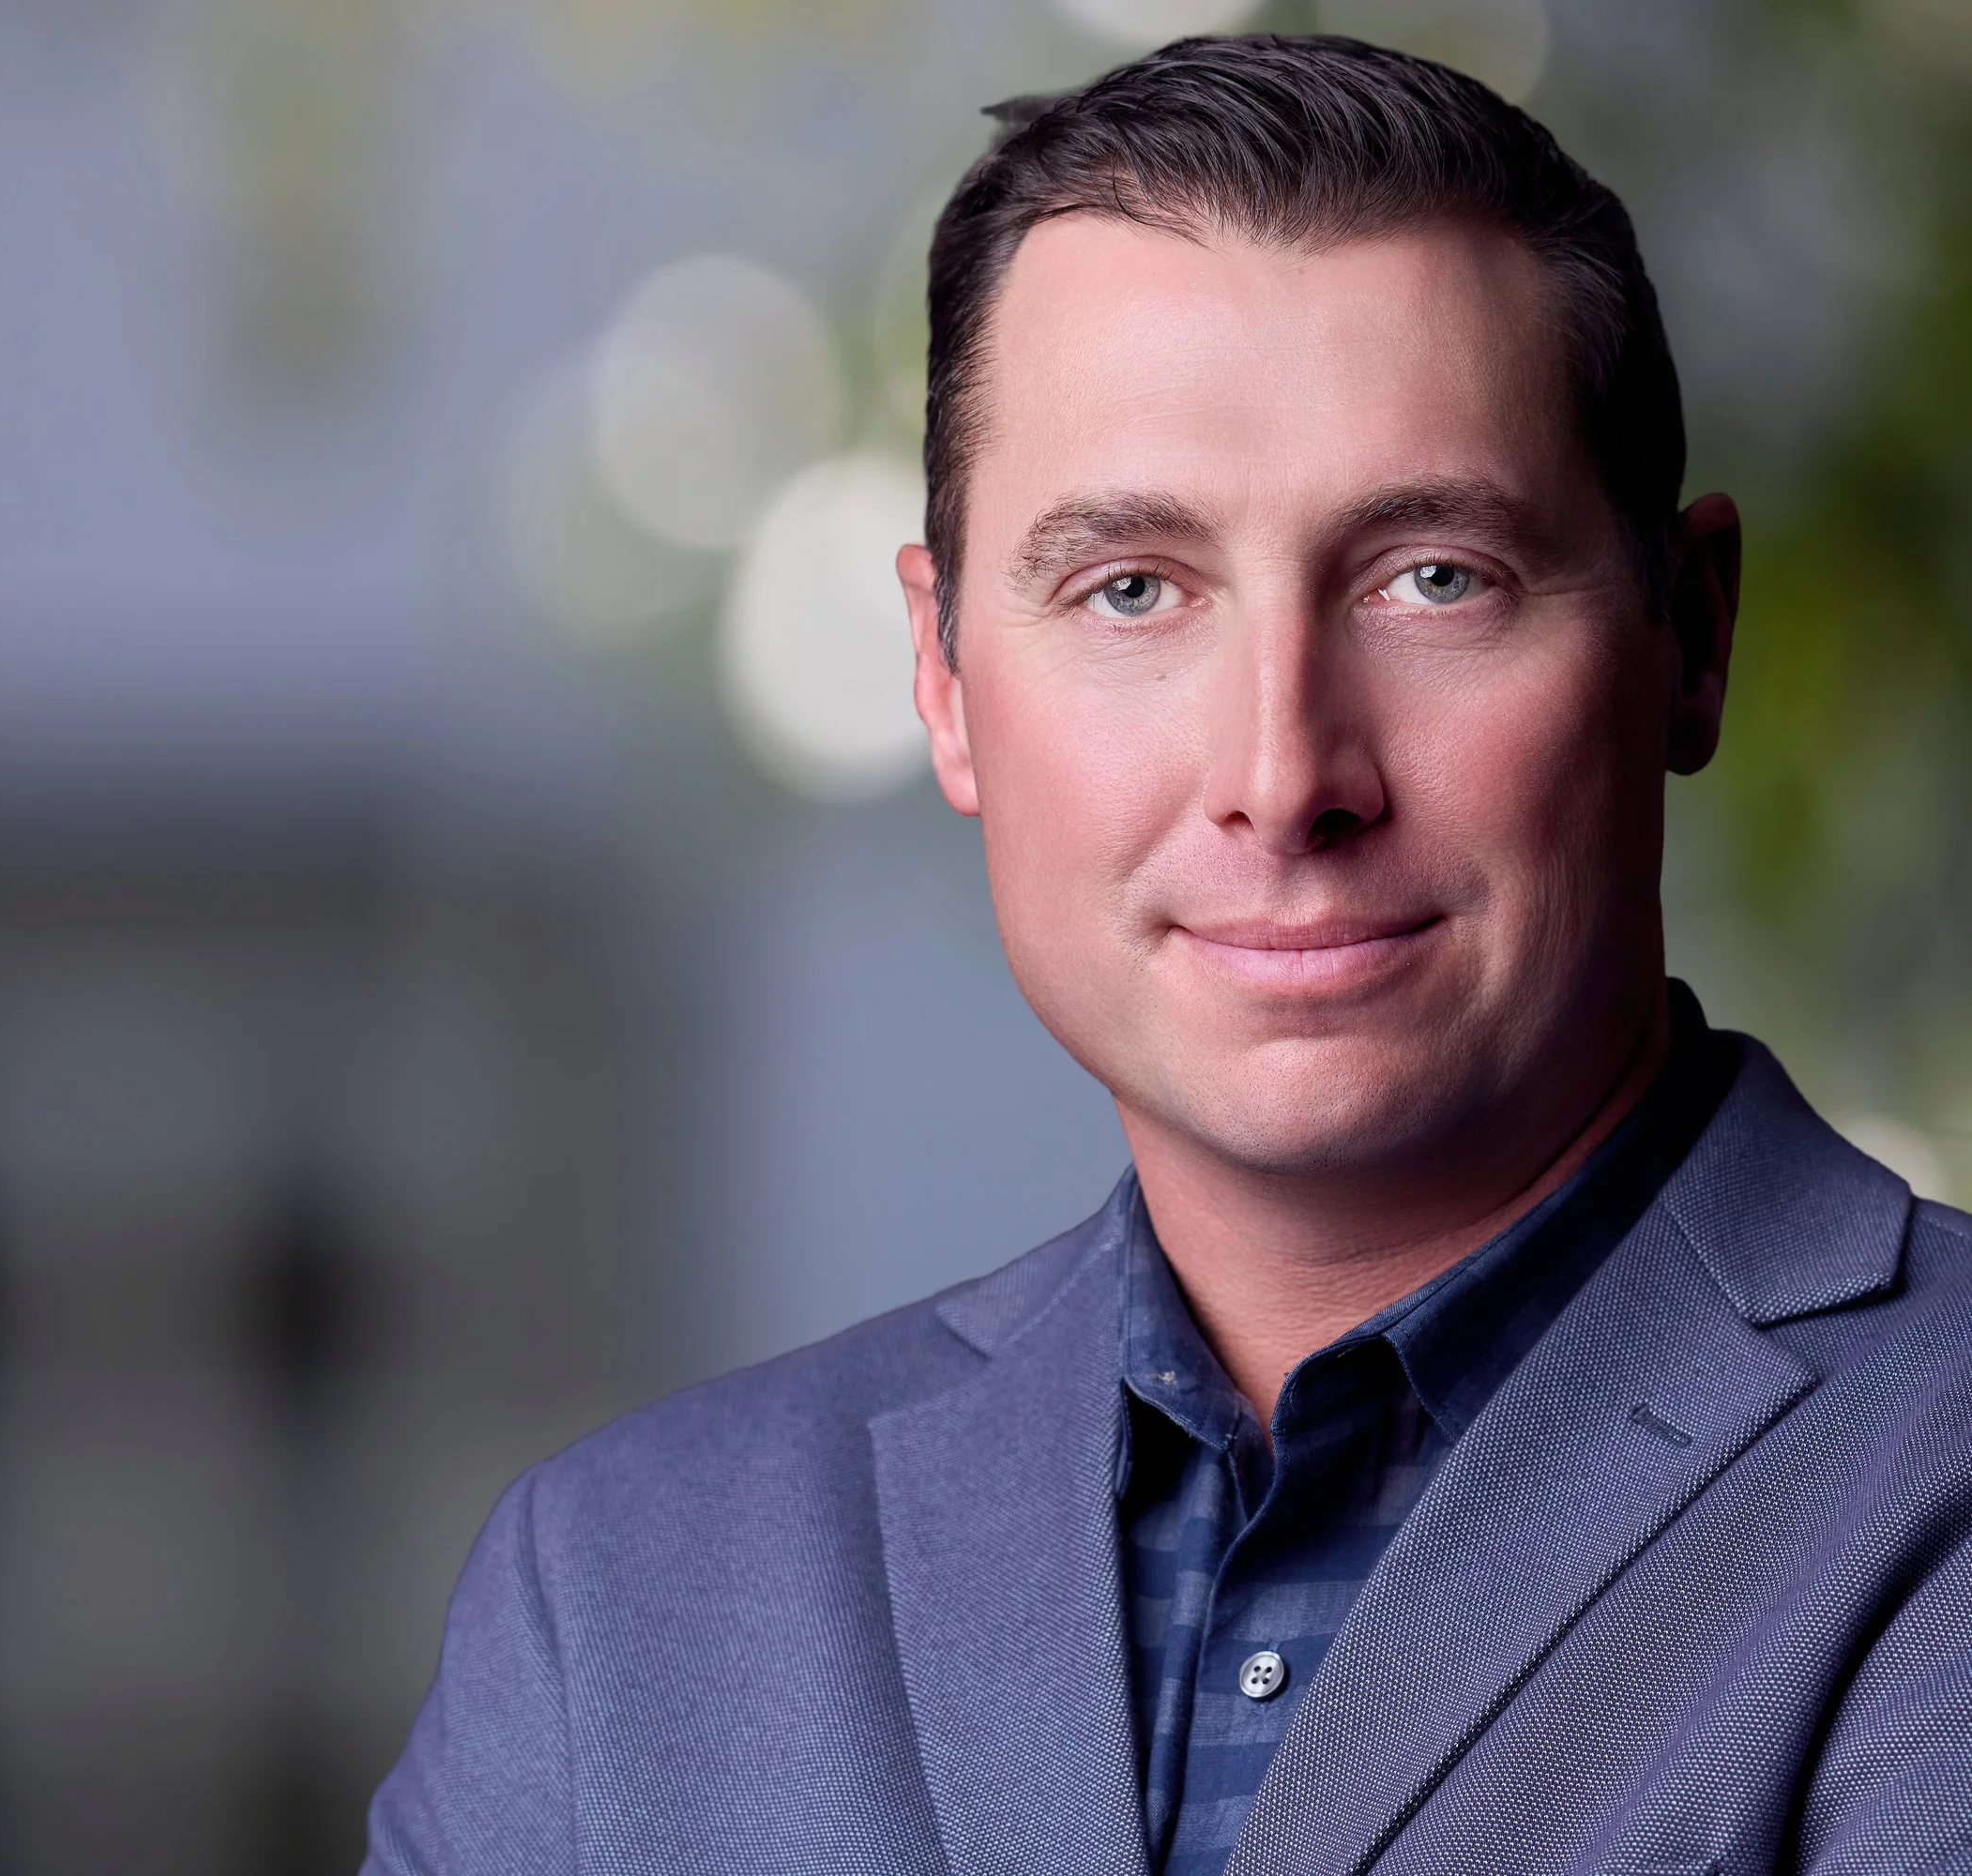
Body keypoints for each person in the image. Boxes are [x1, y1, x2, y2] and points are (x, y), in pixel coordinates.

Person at [363, 36, 1972, 1876]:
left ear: (1687, 639)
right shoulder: (622, 1600)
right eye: (1131, 589)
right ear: (942, 677)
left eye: (1429, 576)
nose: (1281, 776)